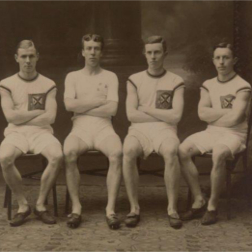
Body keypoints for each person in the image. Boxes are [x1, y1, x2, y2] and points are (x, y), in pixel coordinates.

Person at [179, 42, 251, 225]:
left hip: (235, 135)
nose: (221, 62)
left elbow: (236, 120)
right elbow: (202, 114)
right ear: (213, 60)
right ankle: (198, 199)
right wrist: (226, 114)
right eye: (218, 58)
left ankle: (212, 207)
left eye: (226, 57)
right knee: (183, 149)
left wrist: (214, 115)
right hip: (211, 131)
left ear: (233, 60)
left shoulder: (243, 86)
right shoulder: (208, 85)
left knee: (219, 151)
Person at [123, 35, 185, 229]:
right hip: (139, 129)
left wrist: (146, 109)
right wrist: (162, 114)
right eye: (149, 52)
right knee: (128, 150)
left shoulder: (176, 80)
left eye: (157, 52)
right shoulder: (134, 80)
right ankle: (134, 208)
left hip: (165, 130)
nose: (153, 56)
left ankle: (172, 208)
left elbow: (175, 117)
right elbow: (131, 115)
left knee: (171, 150)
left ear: (164, 54)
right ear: (144, 54)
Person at [0, 40, 63, 227]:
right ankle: (22, 205)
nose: (28, 60)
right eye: (24, 56)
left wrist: (21, 116)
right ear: (16, 58)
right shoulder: (6, 84)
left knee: (57, 156)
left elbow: (50, 117)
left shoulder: (48, 84)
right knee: (4, 158)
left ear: (37, 57)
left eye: (31, 56)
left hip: (41, 132)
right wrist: (37, 113)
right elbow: (10, 117)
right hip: (16, 133)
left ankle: (41, 205)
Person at [64, 34, 122, 229]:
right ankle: (76, 208)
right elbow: (68, 104)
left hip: (104, 127)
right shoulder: (72, 76)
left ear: (102, 52)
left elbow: (112, 109)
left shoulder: (110, 76)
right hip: (80, 127)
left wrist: (81, 105)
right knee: (69, 152)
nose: (92, 52)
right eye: (88, 48)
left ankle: (110, 210)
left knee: (116, 153)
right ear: (82, 52)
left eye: (96, 48)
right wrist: (98, 101)